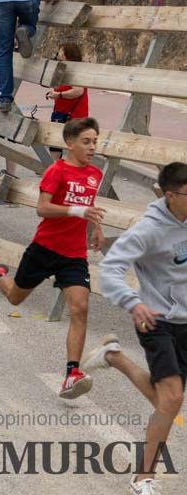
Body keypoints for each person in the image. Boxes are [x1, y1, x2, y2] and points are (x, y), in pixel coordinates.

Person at [0, 118, 104, 400]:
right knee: (15, 298)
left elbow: (88, 206)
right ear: (70, 144)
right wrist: (76, 212)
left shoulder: (95, 173)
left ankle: (72, 374)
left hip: (74, 255)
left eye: (95, 141)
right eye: (86, 141)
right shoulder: (56, 171)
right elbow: (42, 208)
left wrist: (96, 228)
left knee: (80, 308)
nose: (92, 147)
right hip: (44, 248)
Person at [93, 162, 187, 495]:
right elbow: (110, 269)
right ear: (170, 195)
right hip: (155, 320)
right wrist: (133, 303)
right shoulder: (148, 230)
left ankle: (115, 358)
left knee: (168, 401)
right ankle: (142, 477)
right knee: (172, 399)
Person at [46, 42, 89, 124]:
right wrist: (54, 94)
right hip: (62, 114)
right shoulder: (63, 69)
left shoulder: (74, 70)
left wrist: (59, 95)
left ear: (68, 54)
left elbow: (78, 91)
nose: (58, 52)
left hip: (74, 116)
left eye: (61, 50)